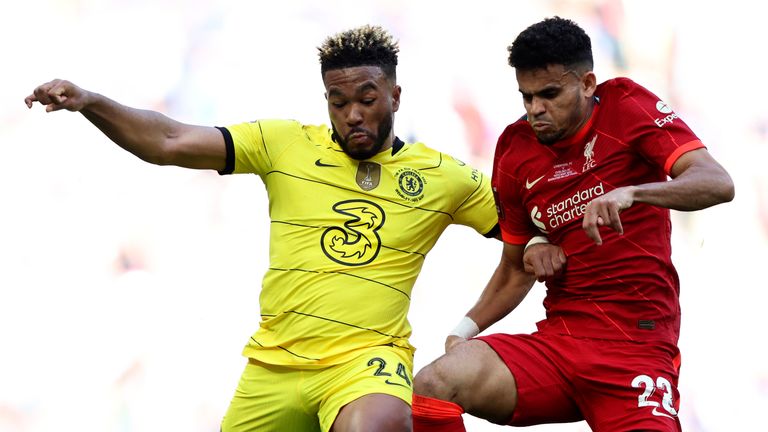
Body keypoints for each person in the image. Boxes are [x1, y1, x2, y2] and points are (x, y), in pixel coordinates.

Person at [24, 25, 507, 432]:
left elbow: (526, 232)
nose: (353, 115)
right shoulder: (283, 144)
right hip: (273, 366)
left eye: (366, 99)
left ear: (395, 96)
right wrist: (90, 102)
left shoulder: (446, 178)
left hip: (364, 363)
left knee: (374, 425)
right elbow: (168, 140)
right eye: (338, 103)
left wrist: (473, 322)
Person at [411, 16, 734, 432]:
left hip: (636, 347)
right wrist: (463, 330)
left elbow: (717, 182)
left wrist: (634, 192)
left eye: (548, 94)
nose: (535, 110)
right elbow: (514, 267)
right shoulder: (514, 148)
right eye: (526, 97)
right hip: (559, 344)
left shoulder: (627, 106)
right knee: (435, 382)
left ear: (587, 84)